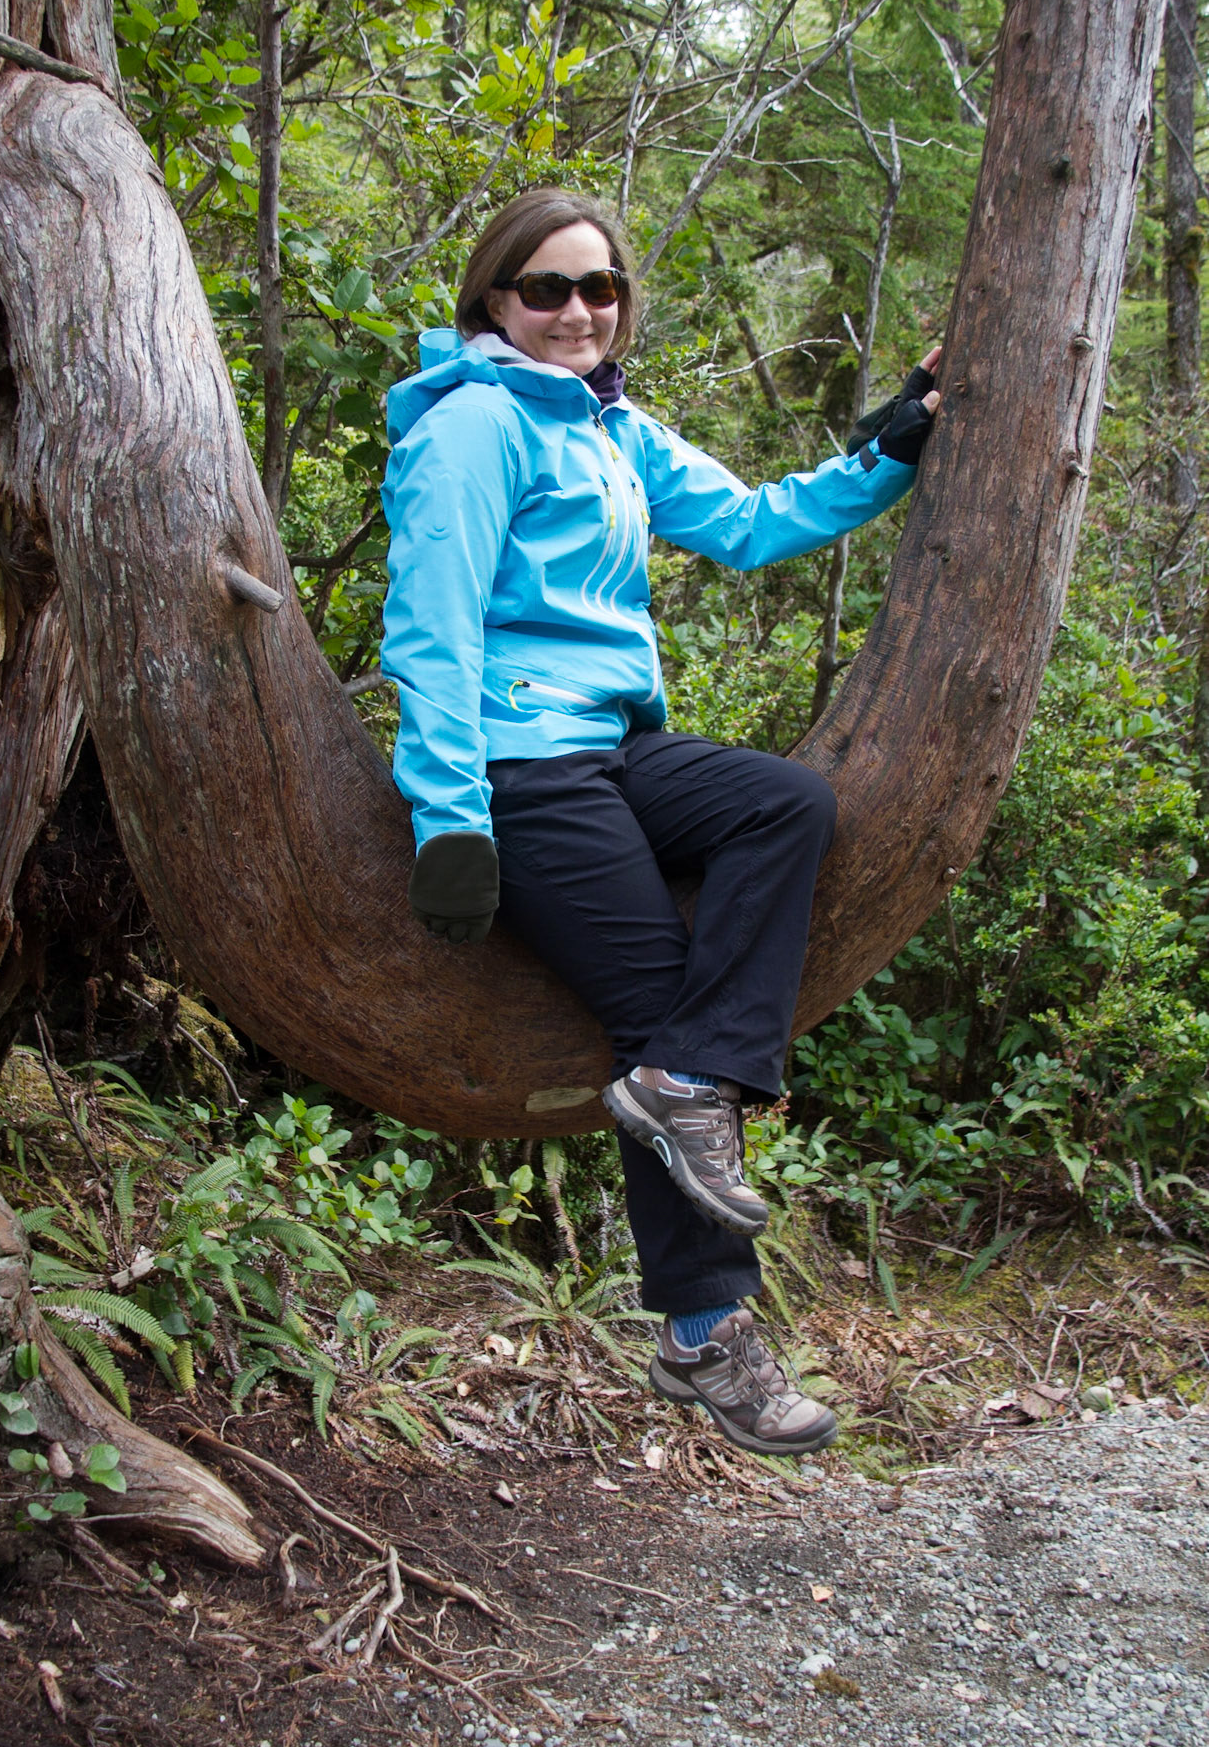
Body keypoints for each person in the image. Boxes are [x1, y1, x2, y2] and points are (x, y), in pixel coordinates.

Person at [380, 188, 941, 1457]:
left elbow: (748, 523)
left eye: (600, 288)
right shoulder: (475, 428)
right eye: (546, 289)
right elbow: (430, 628)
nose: (578, 310)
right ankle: (704, 1332)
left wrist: (901, 437)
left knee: (784, 802)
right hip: (524, 764)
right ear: (494, 302)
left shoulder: (610, 424)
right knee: (652, 996)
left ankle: (686, 1078)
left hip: (618, 743)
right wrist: (450, 821)